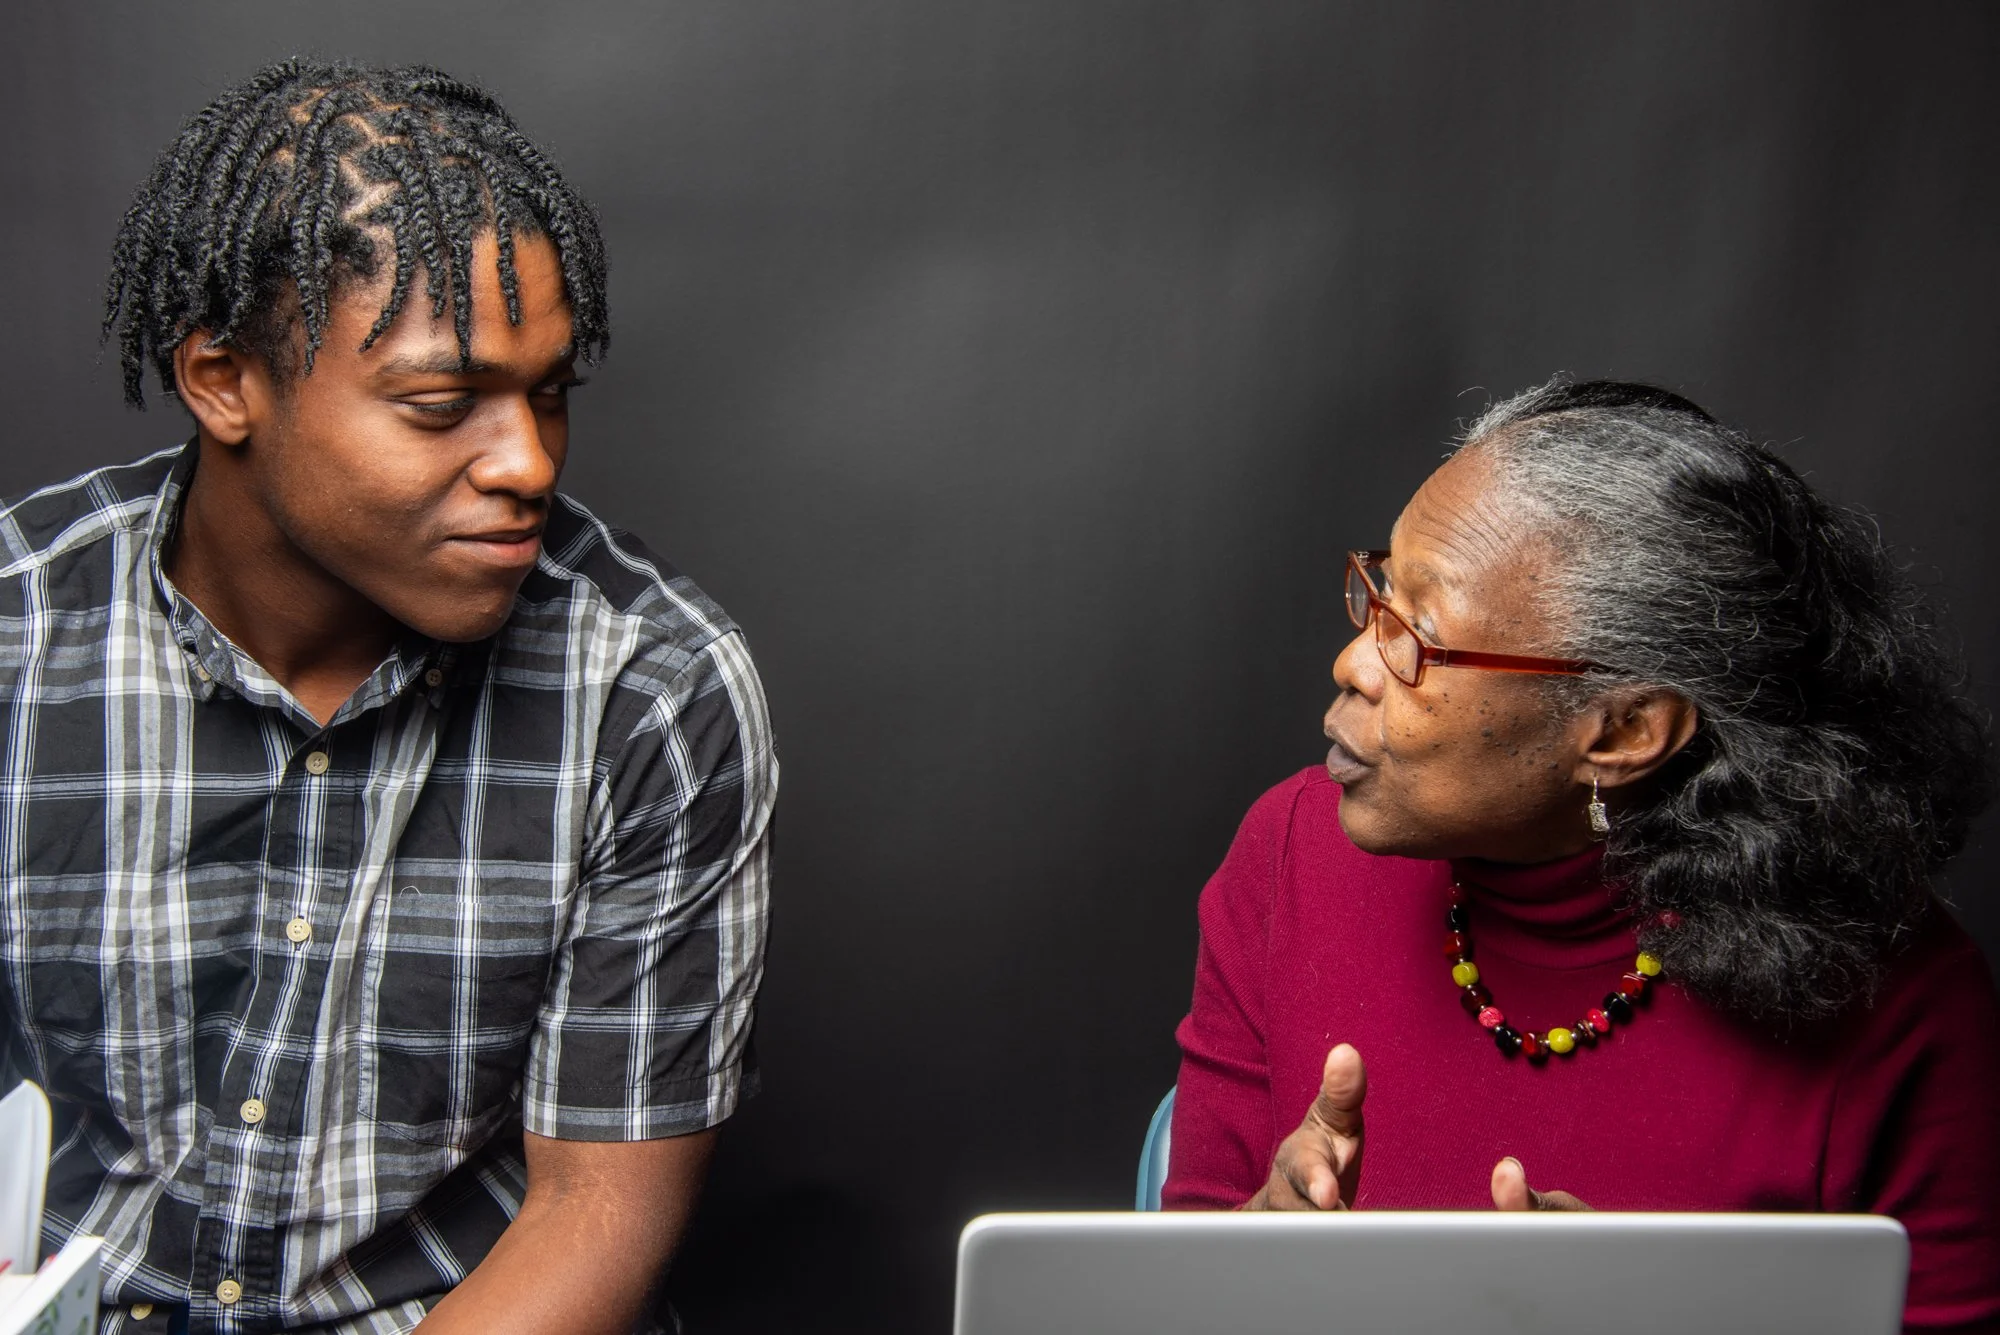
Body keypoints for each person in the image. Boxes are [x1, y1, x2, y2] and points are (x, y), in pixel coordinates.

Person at [0, 61, 775, 1335]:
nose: (526, 461)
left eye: (549, 393)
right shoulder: (22, 634)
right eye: (440, 405)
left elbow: (597, 1212)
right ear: (223, 382)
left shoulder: (651, 691)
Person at [1163, 379, 2000, 1331]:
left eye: (1417, 638)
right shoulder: (1289, 856)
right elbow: (1166, 1283)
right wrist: (1246, 1260)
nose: (1353, 660)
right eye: (1381, 591)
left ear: (1625, 730)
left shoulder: (1900, 1001)